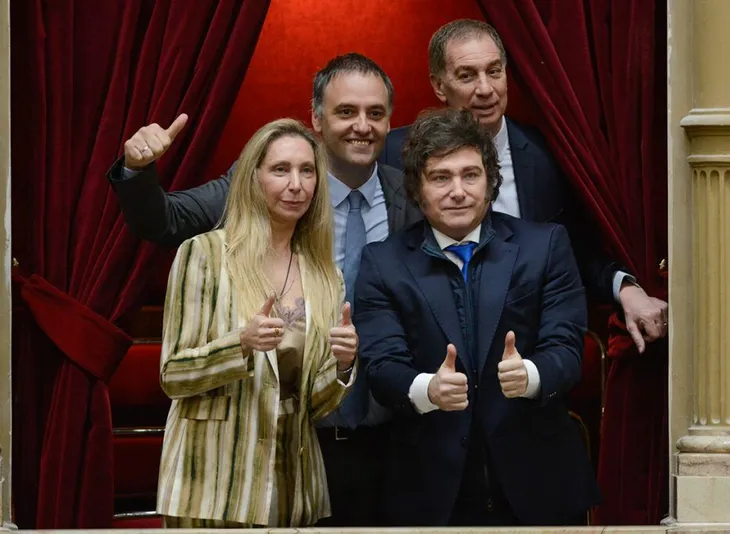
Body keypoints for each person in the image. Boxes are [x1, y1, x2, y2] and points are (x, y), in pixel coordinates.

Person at [107, 53, 421, 526]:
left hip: (376, 440)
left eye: (375, 113)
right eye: (346, 111)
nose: (362, 126)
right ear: (316, 118)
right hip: (250, 451)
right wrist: (137, 168)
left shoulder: (414, 195)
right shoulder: (242, 199)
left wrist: (344, 365)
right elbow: (163, 219)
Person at [354, 108, 600, 527]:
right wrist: (428, 388)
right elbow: (381, 364)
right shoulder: (383, 262)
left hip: (539, 483)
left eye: (470, 175)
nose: (458, 191)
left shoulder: (544, 245)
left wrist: (531, 375)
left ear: (490, 182)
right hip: (431, 490)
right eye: (441, 177)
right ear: (416, 188)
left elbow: (567, 346)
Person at [379, 19, 668, 352]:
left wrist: (627, 289)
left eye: (494, 71)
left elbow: (577, 248)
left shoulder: (549, 153)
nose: (485, 89)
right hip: (428, 354)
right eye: (467, 76)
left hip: (529, 350)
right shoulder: (394, 154)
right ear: (439, 86)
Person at [156, 118, 358, 527]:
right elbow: (173, 375)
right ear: (253, 177)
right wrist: (240, 344)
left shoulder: (326, 276)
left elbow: (315, 406)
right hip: (212, 483)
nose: (296, 184)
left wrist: (342, 365)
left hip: (292, 483)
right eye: (280, 170)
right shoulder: (204, 254)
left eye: (307, 171)